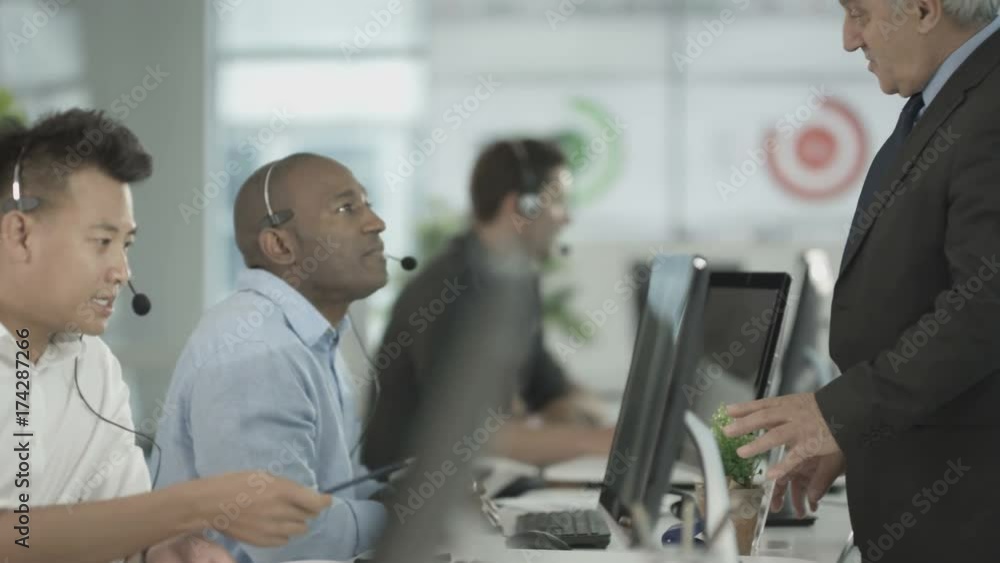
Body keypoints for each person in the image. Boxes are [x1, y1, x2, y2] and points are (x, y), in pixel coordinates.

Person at [722, 3, 1000, 562]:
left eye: (860, 13)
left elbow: (985, 307)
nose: (850, 40)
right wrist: (858, 435)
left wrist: (841, 412)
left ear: (923, 9)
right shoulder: (946, 99)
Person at [0, 110, 330, 563]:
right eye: (101, 241)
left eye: (126, 244)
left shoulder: (93, 366)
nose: (122, 272)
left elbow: (115, 527)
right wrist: (196, 504)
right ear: (20, 235)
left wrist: (164, 552)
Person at [155, 153, 393, 563]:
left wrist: (406, 491)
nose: (375, 222)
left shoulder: (308, 335)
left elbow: (338, 491)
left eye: (367, 203)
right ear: (281, 245)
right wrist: (403, 514)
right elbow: (292, 540)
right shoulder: (256, 351)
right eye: (346, 208)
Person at [363, 138, 614, 470]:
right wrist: (599, 441)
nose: (566, 218)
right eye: (559, 203)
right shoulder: (445, 292)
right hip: (411, 504)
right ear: (520, 207)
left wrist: (572, 416)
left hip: (482, 488)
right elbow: (469, 436)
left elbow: (551, 389)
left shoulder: (517, 282)